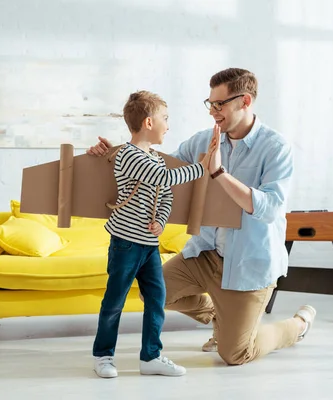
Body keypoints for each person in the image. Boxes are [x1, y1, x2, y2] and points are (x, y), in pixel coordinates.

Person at [87, 68, 316, 367]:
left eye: (219, 104)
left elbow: (270, 208)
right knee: (152, 292)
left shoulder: (275, 148)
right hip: (205, 253)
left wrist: (219, 172)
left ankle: (297, 326)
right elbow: (156, 170)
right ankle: (219, 313)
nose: (213, 112)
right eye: (209, 103)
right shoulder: (202, 141)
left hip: (248, 263)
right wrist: (110, 154)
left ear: (245, 101)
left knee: (235, 354)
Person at [92, 90, 218, 378]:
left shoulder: (156, 159)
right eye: (165, 118)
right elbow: (165, 179)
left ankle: (151, 356)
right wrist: (202, 166)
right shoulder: (129, 155)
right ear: (149, 123)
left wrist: (160, 221)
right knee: (115, 301)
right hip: (125, 243)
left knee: (157, 299)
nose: (168, 125)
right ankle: (103, 356)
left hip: (149, 244)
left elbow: (166, 197)